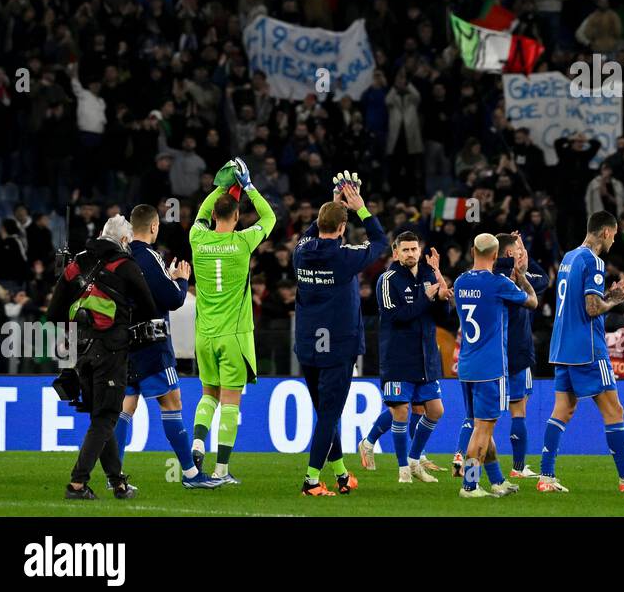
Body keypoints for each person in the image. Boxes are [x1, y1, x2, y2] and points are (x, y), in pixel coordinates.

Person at [537, 210, 624, 494]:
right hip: (588, 349)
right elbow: (591, 309)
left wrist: (607, 296)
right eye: (615, 235)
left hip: (562, 347)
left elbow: (580, 303)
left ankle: (546, 476)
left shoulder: (569, 257)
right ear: (606, 232)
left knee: (563, 409)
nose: (614, 241)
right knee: (614, 410)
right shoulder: (594, 261)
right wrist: (615, 300)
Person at [47, 214, 157, 500]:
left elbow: (54, 314)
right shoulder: (126, 265)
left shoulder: (75, 264)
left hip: (79, 352)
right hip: (111, 351)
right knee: (107, 416)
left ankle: (117, 482)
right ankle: (77, 484)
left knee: (100, 417)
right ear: (123, 240)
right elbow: (149, 307)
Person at [293, 171, 388, 496]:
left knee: (325, 413)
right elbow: (381, 242)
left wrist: (332, 206)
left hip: (307, 346)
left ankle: (342, 474)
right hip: (338, 347)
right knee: (329, 414)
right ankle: (310, 481)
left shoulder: (300, 251)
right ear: (343, 229)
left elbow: (310, 234)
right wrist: (360, 207)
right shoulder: (345, 257)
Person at [115, 203, 218, 489]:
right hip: (152, 345)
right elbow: (173, 299)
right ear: (153, 226)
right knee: (172, 402)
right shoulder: (150, 256)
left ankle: (115, 477)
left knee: (125, 407)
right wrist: (182, 281)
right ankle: (191, 474)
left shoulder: (121, 256)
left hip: (126, 344)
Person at [189, 158, 277, 484]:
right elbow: (270, 216)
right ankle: (221, 470)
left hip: (204, 335)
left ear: (214, 215)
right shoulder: (243, 242)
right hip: (235, 336)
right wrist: (249, 187)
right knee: (230, 401)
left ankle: (197, 443)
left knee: (207, 395)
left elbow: (200, 213)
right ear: (237, 217)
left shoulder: (197, 238)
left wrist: (221, 188)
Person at [358, 231, 453, 484]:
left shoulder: (427, 275)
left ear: (419, 251)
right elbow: (397, 317)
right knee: (400, 410)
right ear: (396, 253)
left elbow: (442, 317)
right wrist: (427, 297)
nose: (411, 254)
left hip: (426, 357)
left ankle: (413, 458)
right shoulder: (387, 280)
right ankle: (403, 470)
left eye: (414, 249)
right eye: (406, 250)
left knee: (435, 410)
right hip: (398, 358)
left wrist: (443, 299)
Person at [453, 232, 537, 498]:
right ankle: (470, 484)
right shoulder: (497, 283)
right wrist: (521, 275)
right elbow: (532, 301)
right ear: (494, 256)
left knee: (482, 426)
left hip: (466, 366)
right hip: (490, 368)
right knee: (484, 428)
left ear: (472, 252)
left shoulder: (460, 282)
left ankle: (497, 481)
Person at [493, 231, 547, 478]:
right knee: (518, 410)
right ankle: (517, 468)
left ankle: (463, 458)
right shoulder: (517, 279)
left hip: (491, 354)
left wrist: (522, 254)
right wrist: (527, 261)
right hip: (518, 352)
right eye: (518, 250)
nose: (522, 253)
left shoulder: (491, 276)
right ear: (509, 253)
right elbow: (544, 280)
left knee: (480, 414)